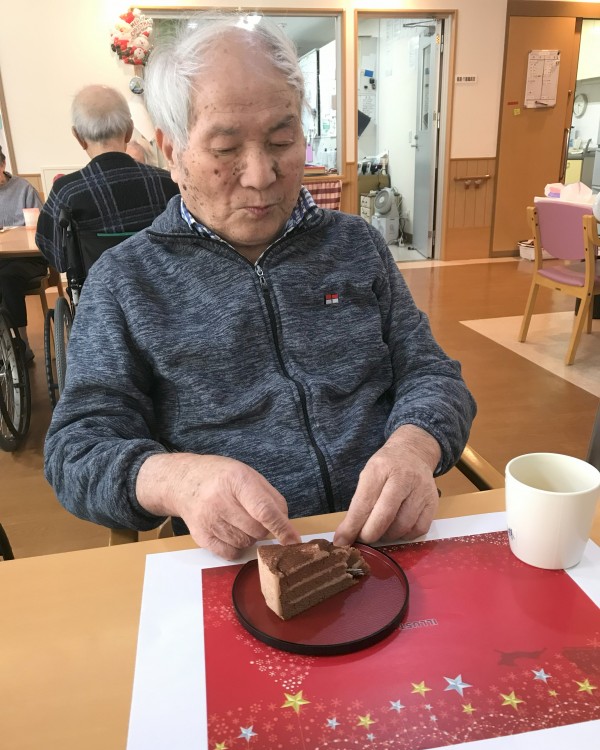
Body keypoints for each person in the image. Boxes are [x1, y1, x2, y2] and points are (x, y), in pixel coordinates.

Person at [44, 13, 476, 561]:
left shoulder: (355, 245)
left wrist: (415, 446)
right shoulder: (127, 280)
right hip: (241, 560)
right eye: (226, 149)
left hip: (389, 538)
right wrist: (179, 481)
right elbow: (77, 449)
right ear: (172, 151)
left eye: (281, 139)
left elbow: (432, 373)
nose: (261, 175)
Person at [35, 84, 179, 274]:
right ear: (129, 131)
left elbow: (57, 257)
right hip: (165, 287)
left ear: (78, 137)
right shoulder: (168, 182)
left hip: (97, 290)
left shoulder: (66, 192)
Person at [0, 145, 47, 361]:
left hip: (28, 258)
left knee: (6, 278)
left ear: (3, 165)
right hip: (3, 258)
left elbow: (43, 227)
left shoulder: (24, 189)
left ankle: (21, 342)